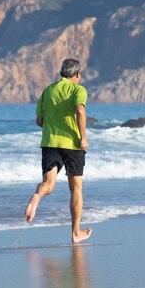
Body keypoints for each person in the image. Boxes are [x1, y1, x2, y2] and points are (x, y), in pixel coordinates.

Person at [25, 58, 92, 244]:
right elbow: (80, 111)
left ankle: (36, 197)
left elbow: (39, 121)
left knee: (47, 184)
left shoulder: (48, 90)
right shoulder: (78, 90)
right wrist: (82, 137)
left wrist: (53, 129)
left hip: (49, 143)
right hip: (72, 145)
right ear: (77, 74)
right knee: (76, 188)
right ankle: (75, 233)